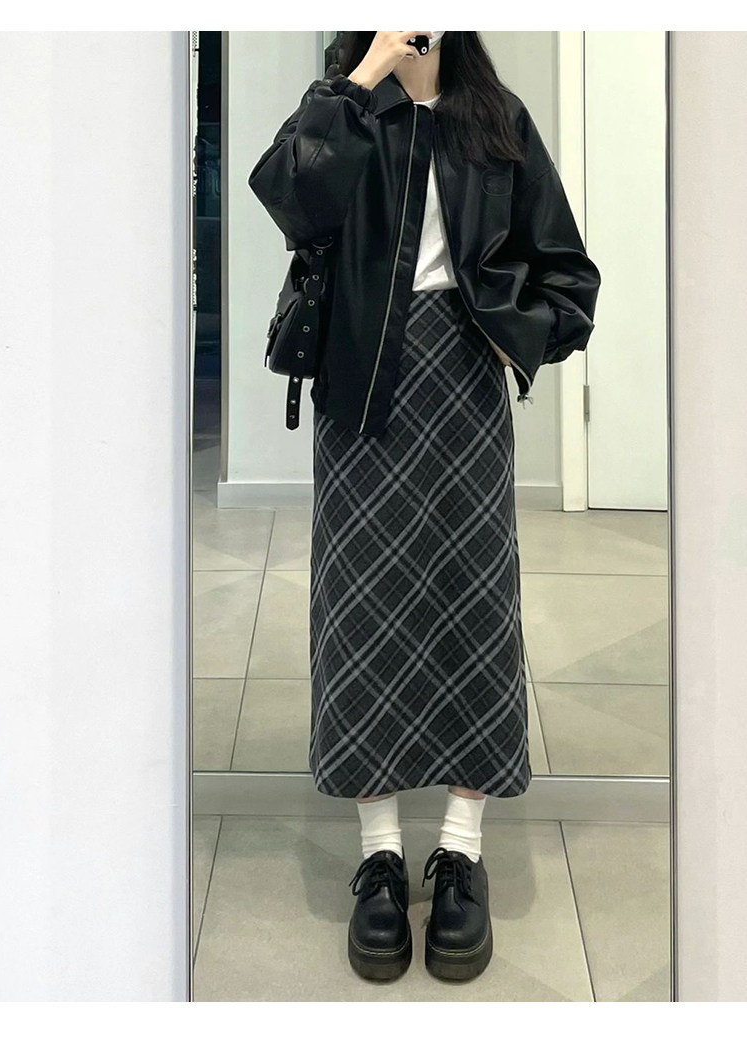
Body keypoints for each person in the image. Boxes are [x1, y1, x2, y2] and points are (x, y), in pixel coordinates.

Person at [249, 31, 601, 983]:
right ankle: (378, 854)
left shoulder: (496, 120)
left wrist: (514, 331)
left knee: (471, 608)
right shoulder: (344, 107)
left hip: (463, 386)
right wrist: (359, 81)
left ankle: (459, 850)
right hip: (361, 383)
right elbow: (287, 195)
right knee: (363, 612)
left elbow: (567, 269)